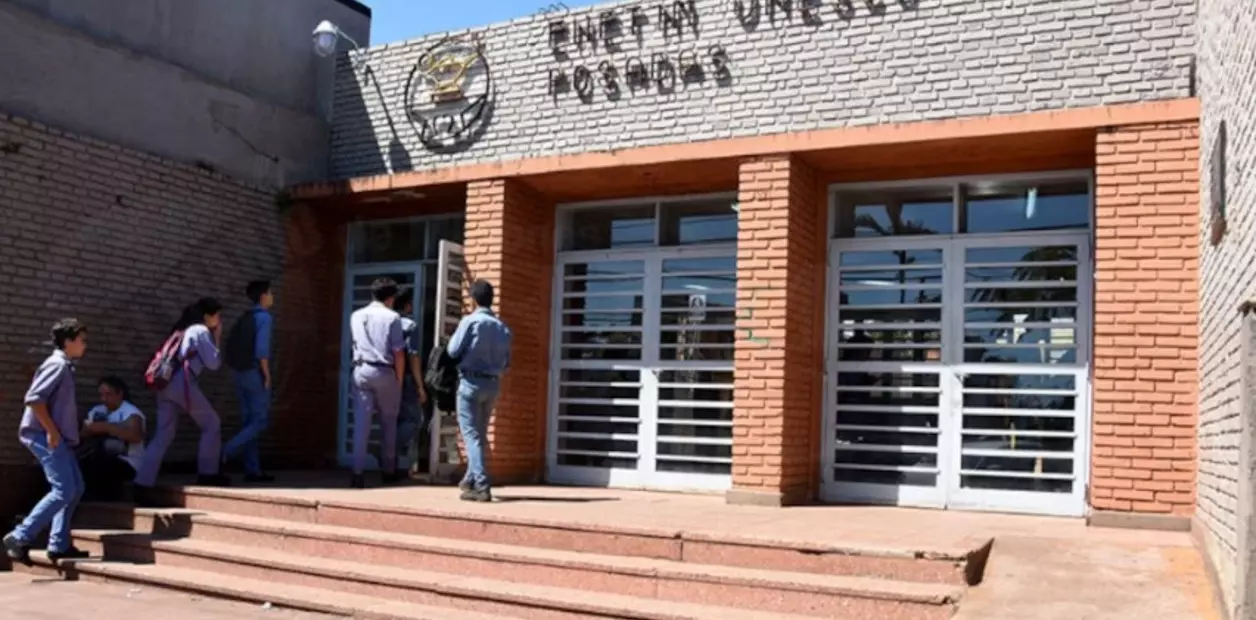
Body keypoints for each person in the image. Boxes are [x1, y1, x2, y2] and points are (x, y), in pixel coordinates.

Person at [4, 318, 90, 565]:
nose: (85, 345)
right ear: (68, 341)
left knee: (75, 487)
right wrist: (51, 432)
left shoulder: (64, 366)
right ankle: (19, 536)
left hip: (57, 436)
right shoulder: (57, 365)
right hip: (45, 435)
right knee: (64, 489)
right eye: (82, 340)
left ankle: (58, 544)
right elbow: (34, 399)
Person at [133, 298, 229, 505]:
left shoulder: (181, 330)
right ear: (207, 316)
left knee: (164, 434)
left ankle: (142, 483)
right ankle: (208, 474)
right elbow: (213, 363)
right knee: (211, 423)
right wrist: (217, 337)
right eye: (218, 315)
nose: (220, 320)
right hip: (183, 384)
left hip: (165, 384)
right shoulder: (200, 331)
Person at [447, 279, 512, 503]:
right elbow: (507, 363)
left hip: (470, 383)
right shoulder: (503, 327)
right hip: (492, 385)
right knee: (480, 435)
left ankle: (482, 485)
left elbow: (453, 350)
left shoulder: (470, 321)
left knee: (471, 435)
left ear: (473, 299)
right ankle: (470, 479)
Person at [348, 278, 406, 489]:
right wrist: (399, 379)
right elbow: (398, 352)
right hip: (385, 371)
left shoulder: (356, 315)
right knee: (389, 424)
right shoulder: (393, 317)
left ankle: (357, 473)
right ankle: (388, 471)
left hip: (361, 370)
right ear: (390, 299)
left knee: (361, 424)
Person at [222, 279, 276, 483]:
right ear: (263, 296)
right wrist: (267, 375)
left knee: (248, 422)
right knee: (260, 421)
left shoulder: (246, 316)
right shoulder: (264, 318)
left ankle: (252, 469)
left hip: (239, 373)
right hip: (254, 373)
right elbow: (262, 351)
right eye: (270, 293)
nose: (272, 297)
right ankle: (226, 451)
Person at [78, 376, 146, 502]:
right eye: (101, 395)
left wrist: (107, 427)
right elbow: (83, 432)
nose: (104, 399)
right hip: (99, 455)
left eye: (108, 395)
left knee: (101, 466)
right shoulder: (97, 410)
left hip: (128, 462)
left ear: (119, 393)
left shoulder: (130, 412)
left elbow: (136, 436)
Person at [393, 289, 429, 479]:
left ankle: (393, 464)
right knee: (414, 420)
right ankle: (388, 448)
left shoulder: (386, 323)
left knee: (392, 420)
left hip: (386, 376)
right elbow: (413, 356)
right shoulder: (409, 325)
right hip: (405, 378)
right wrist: (420, 385)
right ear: (407, 306)